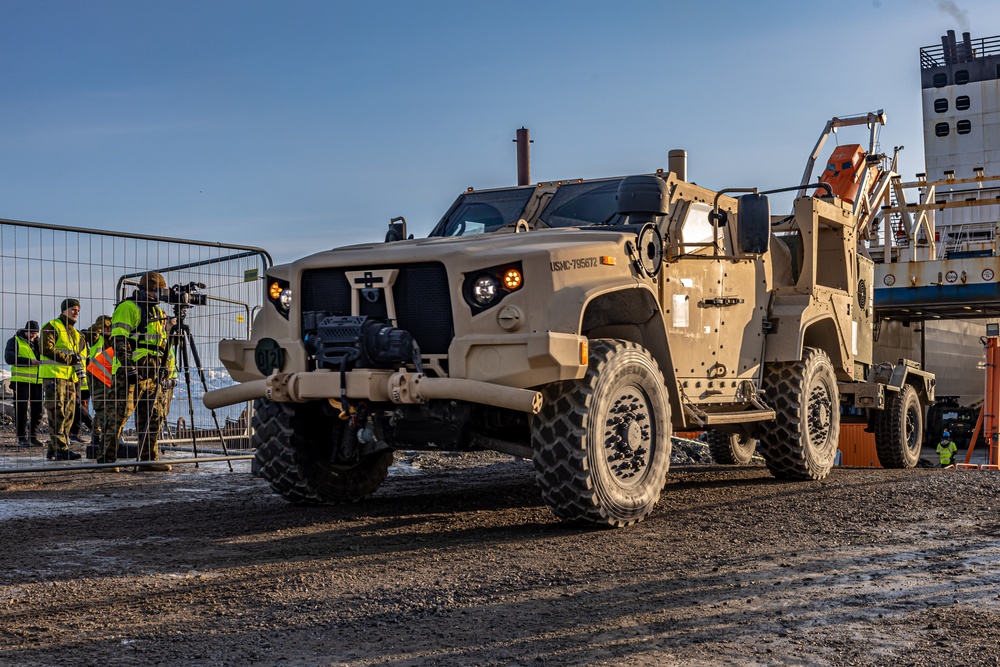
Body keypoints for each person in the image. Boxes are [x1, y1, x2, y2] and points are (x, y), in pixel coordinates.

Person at [94, 272, 173, 472]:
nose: (163, 295)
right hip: (131, 372)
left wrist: (165, 368)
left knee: (153, 417)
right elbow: (119, 340)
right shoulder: (128, 307)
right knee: (118, 415)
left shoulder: (159, 313)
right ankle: (106, 460)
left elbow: (163, 344)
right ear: (151, 289)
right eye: (160, 291)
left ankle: (148, 459)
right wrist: (129, 368)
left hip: (153, 371)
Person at [40, 299, 85, 460]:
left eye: (78, 310)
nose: (76, 312)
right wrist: (69, 359)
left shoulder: (75, 333)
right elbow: (45, 348)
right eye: (73, 309)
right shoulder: (52, 326)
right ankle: (61, 449)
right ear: (64, 310)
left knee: (68, 415)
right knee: (57, 413)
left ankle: (54, 448)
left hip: (70, 378)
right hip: (54, 377)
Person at [4, 320, 44, 447]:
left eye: (35, 333)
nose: (33, 335)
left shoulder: (39, 343)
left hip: (37, 381)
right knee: (21, 410)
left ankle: (33, 436)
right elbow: (9, 358)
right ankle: (22, 438)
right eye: (31, 332)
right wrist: (29, 362)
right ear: (25, 331)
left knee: (38, 410)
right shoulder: (14, 341)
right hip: (21, 381)